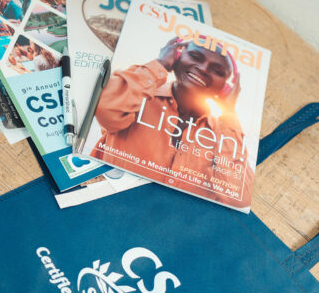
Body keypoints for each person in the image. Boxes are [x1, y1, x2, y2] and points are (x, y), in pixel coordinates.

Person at [92, 37, 254, 208]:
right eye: (195, 57)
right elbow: (104, 106)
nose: (203, 68)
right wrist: (160, 64)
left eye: (218, 71)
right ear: (176, 57)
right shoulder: (137, 97)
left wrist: (229, 114)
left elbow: (239, 196)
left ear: (225, 88)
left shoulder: (221, 136)